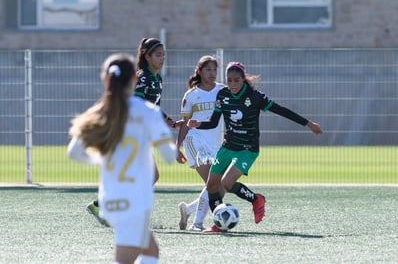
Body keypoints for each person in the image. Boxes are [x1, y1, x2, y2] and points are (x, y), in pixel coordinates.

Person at [187, 61, 323, 233]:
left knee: (227, 183)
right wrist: (198, 124)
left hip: (247, 149)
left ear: (244, 79)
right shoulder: (222, 94)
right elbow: (213, 122)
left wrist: (308, 124)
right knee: (212, 185)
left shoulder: (255, 96)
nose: (233, 84)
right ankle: (219, 223)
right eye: (229, 80)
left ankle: (256, 199)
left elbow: (281, 110)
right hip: (228, 146)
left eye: (237, 80)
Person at [67, 53, 177, 264]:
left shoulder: (100, 112)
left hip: (111, 198)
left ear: (105, 79)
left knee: (150, 252)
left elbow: (74, 152)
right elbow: (169, 156)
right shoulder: (148, 112)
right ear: (134, 79)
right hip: (135, 199)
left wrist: (102, 160)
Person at [86, 38, 181, 225]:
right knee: (145, 176)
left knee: (147, 176)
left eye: (164, 54)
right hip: (132, 134)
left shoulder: (157, 79)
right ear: (147, 56)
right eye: (158, 55)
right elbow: (135, 106)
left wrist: (170, 122)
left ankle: (105, 205)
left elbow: (152, 107)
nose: (162, 58)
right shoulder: (142, 77)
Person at [175, 55, 225, 231]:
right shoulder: (191, 95)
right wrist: (177, 148)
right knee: (213, 185)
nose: (212, 73)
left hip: (216, 143)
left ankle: (188, 210)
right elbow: (184, 124)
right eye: (208, 70)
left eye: (214, 70)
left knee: (218, 187)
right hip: (195, 142)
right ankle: (197, 224)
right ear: (199, 72)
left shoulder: (223, 90)